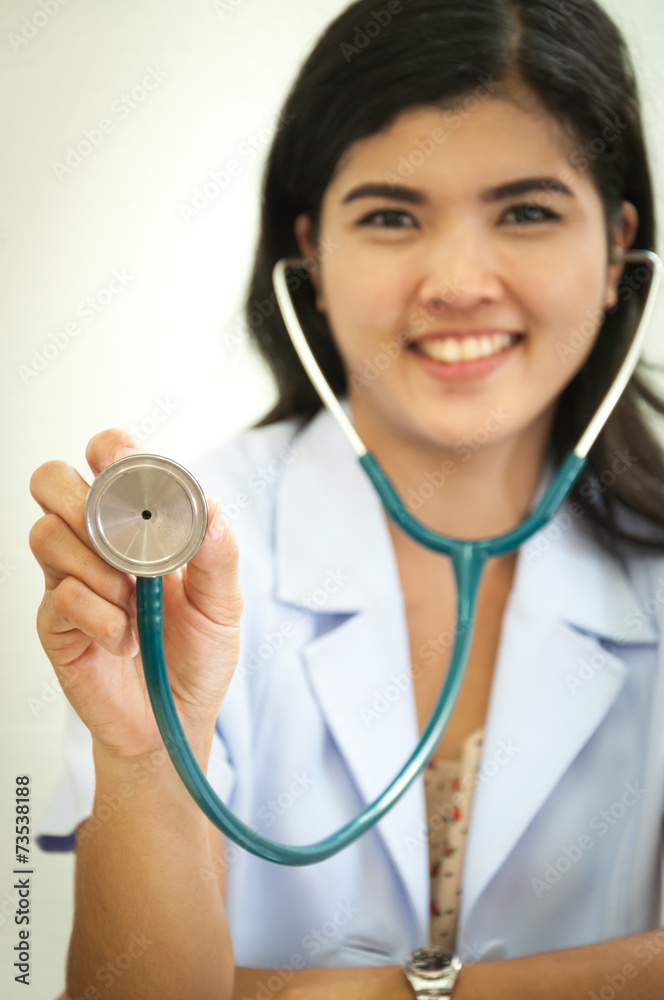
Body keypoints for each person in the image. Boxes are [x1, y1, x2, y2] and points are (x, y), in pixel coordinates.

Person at [30, 0, 664, 997]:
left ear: (619, 247)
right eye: (390, 216)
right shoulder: (178, 568)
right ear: (311, 258)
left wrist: (341, 990)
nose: (457, 280)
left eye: (527, 211)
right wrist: (150, 759)